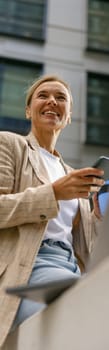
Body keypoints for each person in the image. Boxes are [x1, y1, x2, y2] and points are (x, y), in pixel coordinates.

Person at [0, 74, 104, 348]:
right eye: (43, 95)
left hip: (71, 267)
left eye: (61, 98)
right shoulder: (9, 145)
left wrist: (98, 217)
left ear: (68, 116)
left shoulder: (73, 175)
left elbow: (87, 247)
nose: (52, 101)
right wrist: (54, 193)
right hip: (29, 267)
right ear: (27, 110)